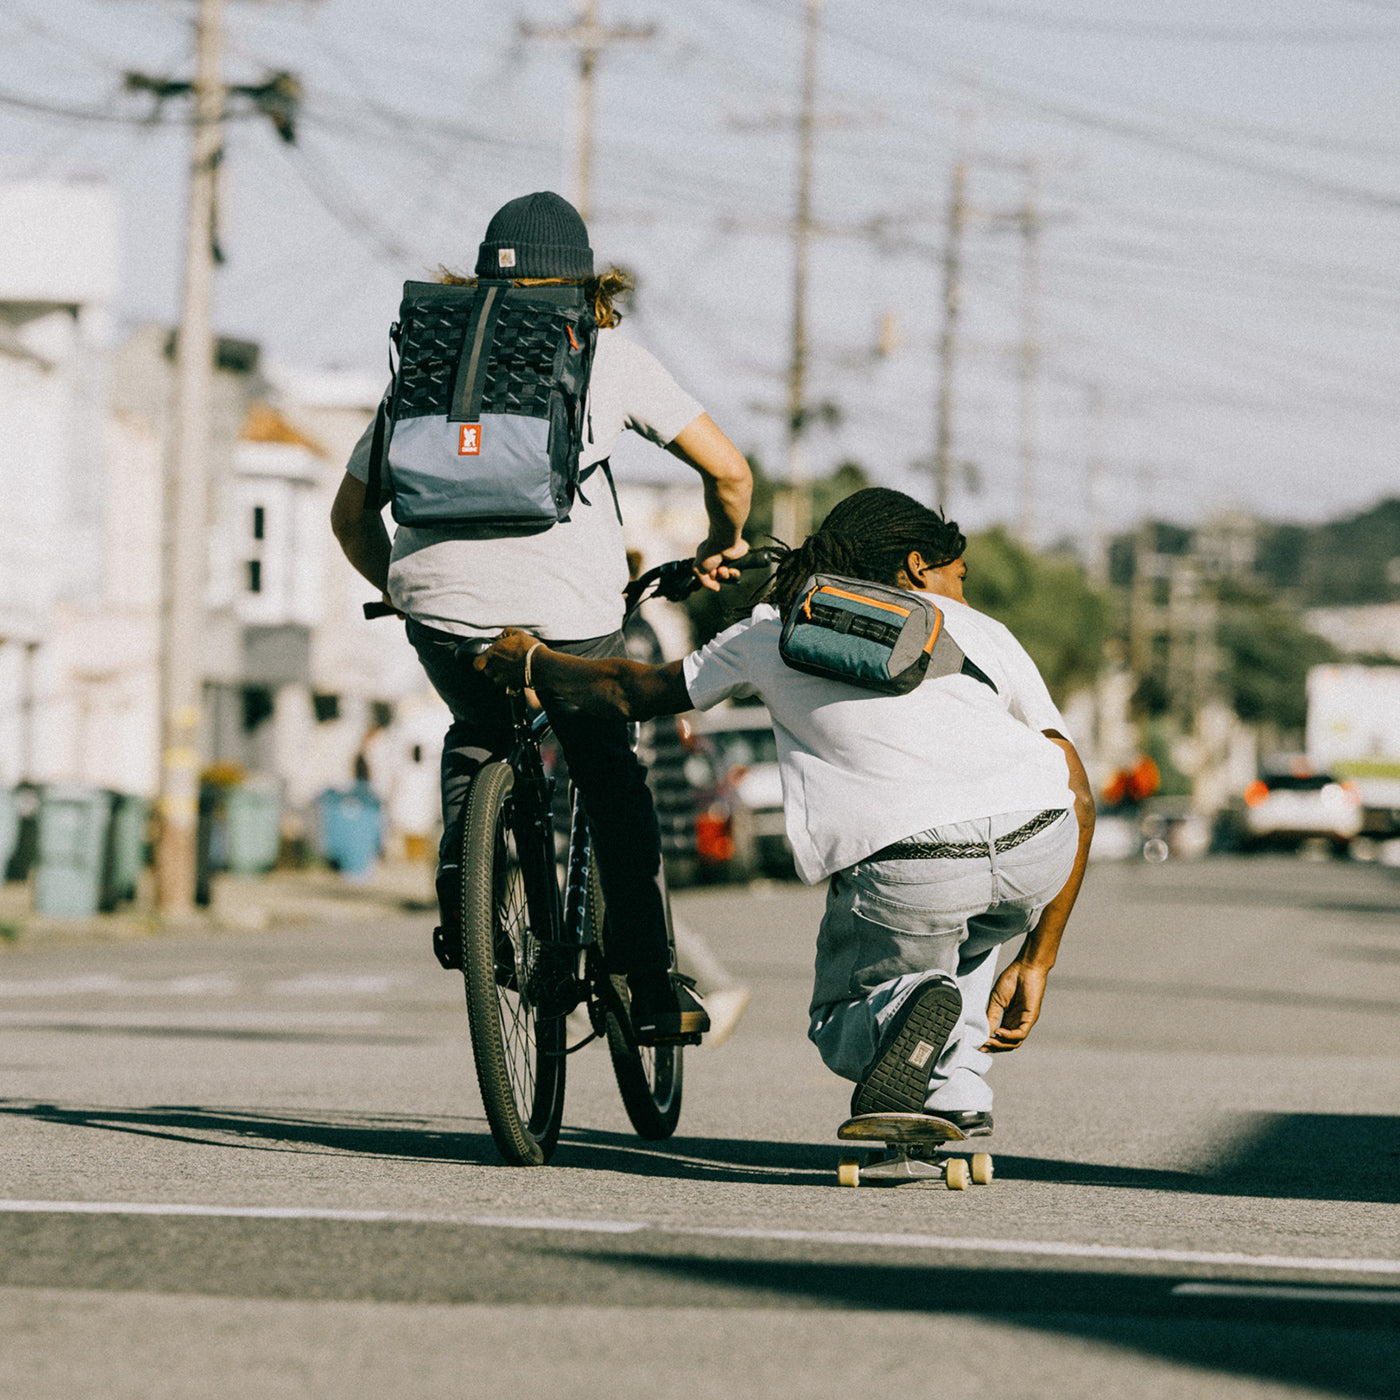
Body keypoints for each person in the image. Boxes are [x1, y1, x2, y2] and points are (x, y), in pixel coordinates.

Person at [474, 487, 1095, 1130]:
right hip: (1036, 847)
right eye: (956, 577)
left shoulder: (775, 628)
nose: (958, 594)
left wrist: (537, 660)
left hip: (920, 865)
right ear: (916, 568)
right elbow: (1077, 792)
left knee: (845, 1016)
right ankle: (955, 1089)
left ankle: (901, 1012)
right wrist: (1038, 959)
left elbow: (632, 692)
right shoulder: (982, 631)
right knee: (967, 933)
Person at [330, 191, 753, 1044]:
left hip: (443, 614)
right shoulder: (605, 353)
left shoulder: (431, 365)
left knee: (478, 731)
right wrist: (723, 541)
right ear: (586, 281)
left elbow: (350, 517)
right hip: (572, 618)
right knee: (605, 769)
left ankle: (467, 892)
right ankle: (644, 979)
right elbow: (731, 471)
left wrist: (409, 590)